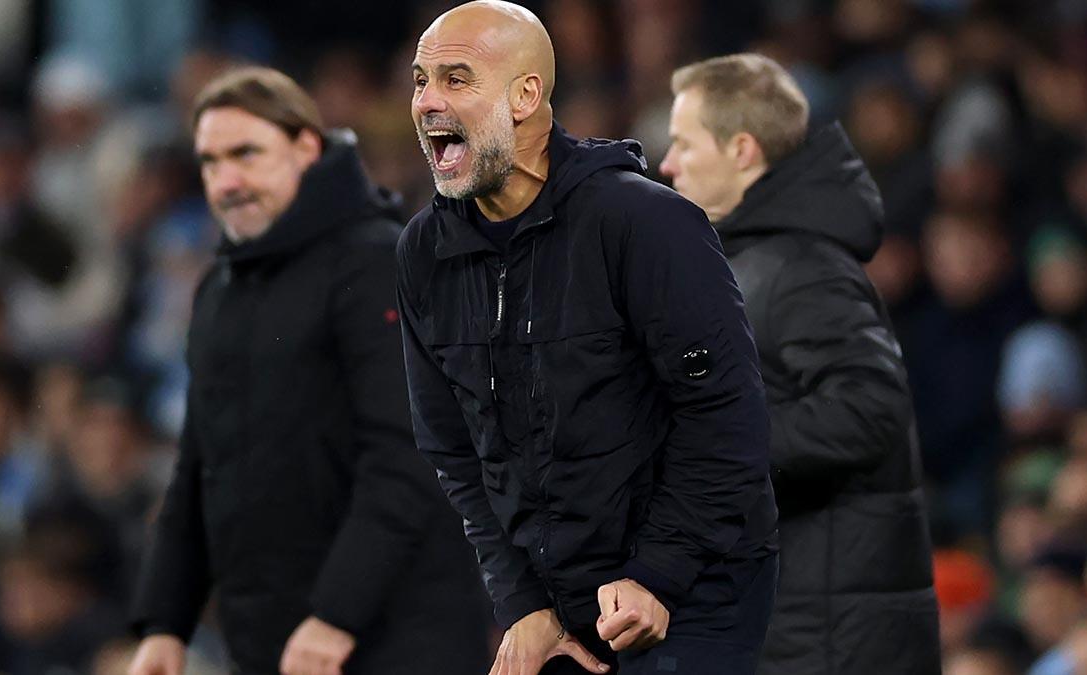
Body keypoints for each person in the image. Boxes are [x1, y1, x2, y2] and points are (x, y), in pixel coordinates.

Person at [397, 3, 778, 674]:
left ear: (526, 96)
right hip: (558, 605)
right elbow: (454, 451)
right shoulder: (424, 252)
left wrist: (657, 573)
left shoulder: (645, 223)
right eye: (421, 80)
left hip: (693, 594)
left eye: (456, 79)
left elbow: (724, 417)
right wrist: (521, 602)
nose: (428, 101)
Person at [127, 66, 490, 675]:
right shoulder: (219, 287)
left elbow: (407, 455)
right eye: (210, 162)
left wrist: (336, 616)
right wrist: (165, 623)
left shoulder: (376, 261)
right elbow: (198, 464)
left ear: (306, 147)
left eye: (246, 154)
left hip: (395, 638)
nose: (227, 182)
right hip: (274, 642)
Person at [659, 53, 940, 675]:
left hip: (833, 641)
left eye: (684, 143)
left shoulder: (804, 267)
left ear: (742, 150)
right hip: (793, 626)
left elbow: (871, 408)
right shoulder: (752, 261)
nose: (669, 163)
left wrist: (717, 446)